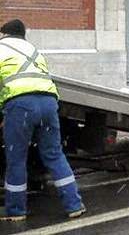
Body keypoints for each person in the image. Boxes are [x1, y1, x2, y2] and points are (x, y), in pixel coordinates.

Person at [0, 19, 86, 221]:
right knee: (54, 155)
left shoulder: (1, 49)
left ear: (4, 33)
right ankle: (74, 204)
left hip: (21, 106)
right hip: (48, 104)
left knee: (16, 159)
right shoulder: (34, 51)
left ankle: (16, 211)